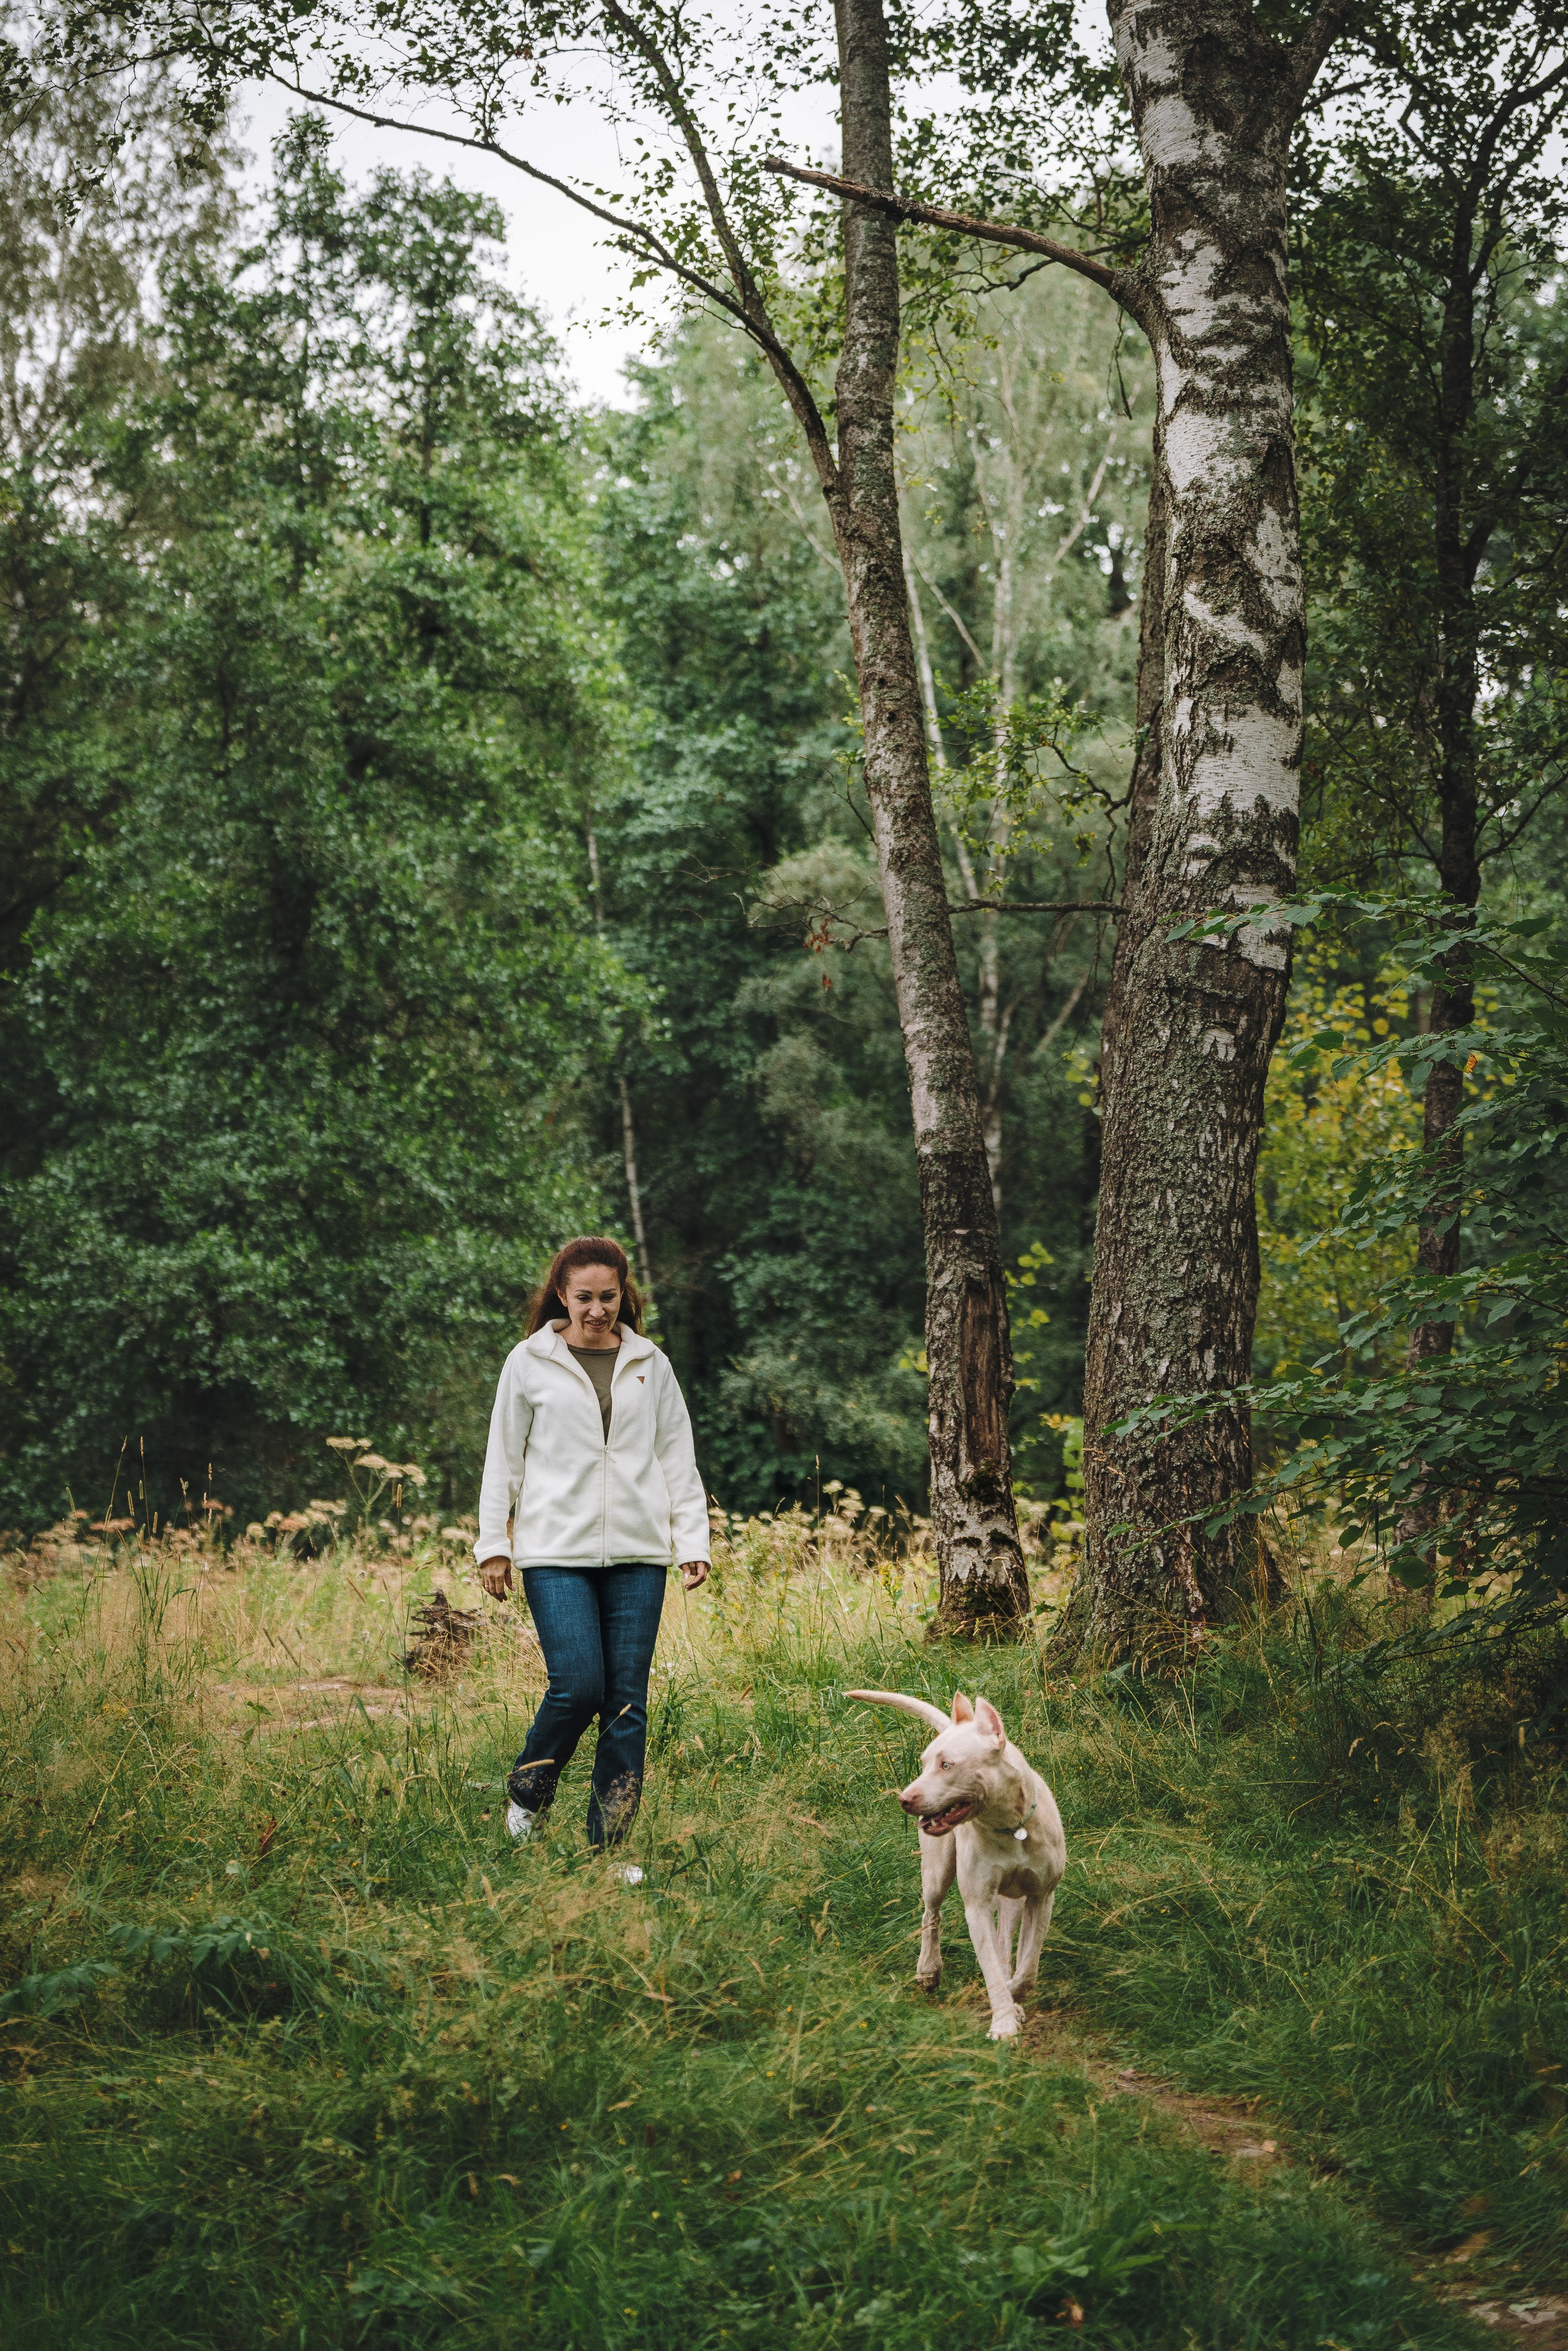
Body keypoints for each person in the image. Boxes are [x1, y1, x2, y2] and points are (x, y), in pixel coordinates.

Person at [475, 1236, 709, 1878]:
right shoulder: (529, 1361)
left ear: (623, 1292)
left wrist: (693, 1542)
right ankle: (529, 1791)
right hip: (555, 1551)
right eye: (584, 1297)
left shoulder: (648, 1362)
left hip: (638, 1552)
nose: (597, 1310)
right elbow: (504, 1456)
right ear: (561, 1294)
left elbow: (675, 1457)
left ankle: (610, 1850)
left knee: (626, 1703)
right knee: (578, 1685)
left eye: (608, 1297)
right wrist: (494, 1543)